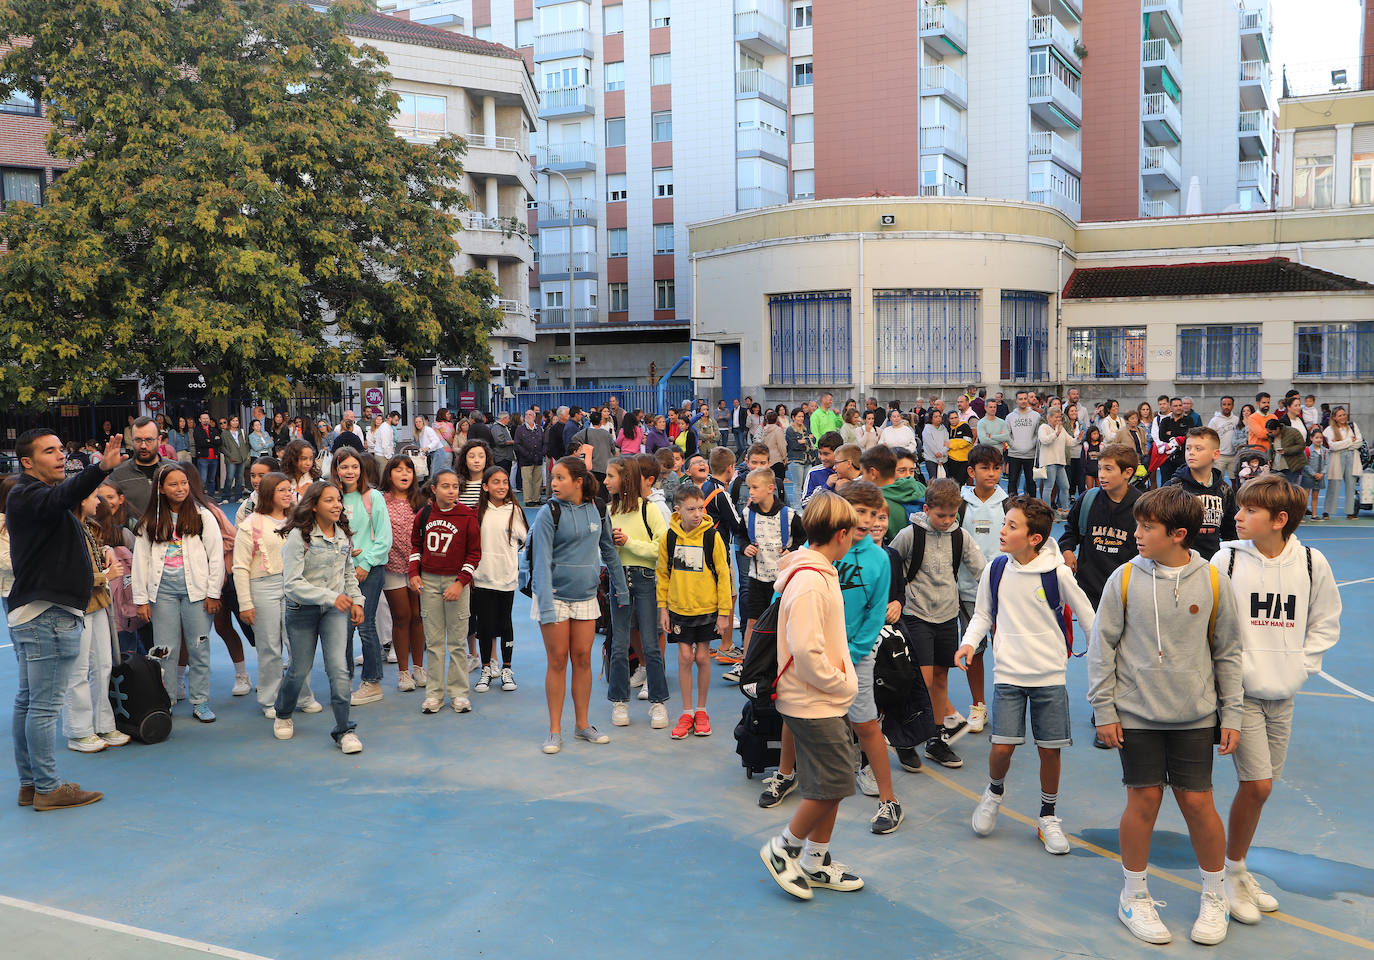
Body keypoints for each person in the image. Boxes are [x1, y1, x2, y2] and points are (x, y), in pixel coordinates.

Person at [1087, 486, 1244, 947]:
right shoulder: (1124, 579)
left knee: (1198, 802)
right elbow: (1102, 649)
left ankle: (1215, 895)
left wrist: (1230, 714)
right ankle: (1133, 893)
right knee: (1144, 802)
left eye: (1146, 527)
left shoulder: (1213, 581)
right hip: (1136, 714)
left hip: (1195, 715)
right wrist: (1104, 708)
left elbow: (1229, 652)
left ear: (1178, 535)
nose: (1135, 534)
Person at [1212, 476, 1340, 925]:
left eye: (1249, 511)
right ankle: (1229, 873)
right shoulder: (1226, 558)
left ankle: (1239, 869)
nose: (1238, 516)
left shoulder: (1310, 561)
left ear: (1279, 520)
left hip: (1283, 693)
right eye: (1238, 509)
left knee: (1262, 788)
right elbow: (1213, 624)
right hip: (1239, 692)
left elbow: (1325, 619)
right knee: (1257, 784)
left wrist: (1301, 666)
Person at [959, 496, 1095, 855]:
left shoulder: (1057, 572)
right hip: (1008, 675)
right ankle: (993, 792)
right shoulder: (996, 568)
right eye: (1004, 523)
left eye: (1012, 526)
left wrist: (1104, 661)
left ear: (1034, 538)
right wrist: (969, 643)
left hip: (1050, 676)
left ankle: (1048, 816)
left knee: (1050, 751)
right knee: (1001, 747)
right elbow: (983, 615)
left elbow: (1088, 616)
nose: (1002, 531)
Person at [6, 433, 128, 809]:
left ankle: (33, 784)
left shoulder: (33, 498)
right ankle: (47, 787)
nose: (60, 456)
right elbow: (64, 496)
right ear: (27, 462)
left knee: (29, 703)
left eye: (61, 449)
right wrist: (101, 468)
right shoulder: (30, 495)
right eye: (50, 451)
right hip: (48, 617)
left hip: (39, 615)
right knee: (42, 707)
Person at [758, 492, 866, 901]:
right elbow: (805, 651)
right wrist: (843, 683)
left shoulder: (818, 573)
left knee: (830, 779)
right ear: (840, 534)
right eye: (853, 533)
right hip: (813, 699)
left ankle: (817, 861)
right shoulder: (809, 582)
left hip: (822, 698)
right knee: (834, 781)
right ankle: (784, 847)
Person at [529, 457, 626, 753]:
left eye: (560, 478)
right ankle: (554, 731)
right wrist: (546, 606)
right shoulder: (549, 512)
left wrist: (621, 591)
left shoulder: (598, 508)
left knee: (583, 659)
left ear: (578, 481)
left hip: (586, 596)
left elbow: (609, 550)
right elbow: (541, 563)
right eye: (552, 478)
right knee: (557, 661)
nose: (553, 484)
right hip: (554, 596)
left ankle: (582, 725)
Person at [889, 478, 986, 770]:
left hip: (947, 616)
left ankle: (935, 738)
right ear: (927, 508)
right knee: (922, 679)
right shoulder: (910, 535)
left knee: (942, 676)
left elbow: (982, 570)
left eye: (951, 515)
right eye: (940, 515)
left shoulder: (961, 536)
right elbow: (890, 563)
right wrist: (894, 600)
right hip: (916, 615)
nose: (946, 521)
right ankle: (905, 739)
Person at [270, 481, 364, 753]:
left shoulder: (343, 536)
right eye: (329, 501)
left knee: (339, 669)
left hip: (335, 611)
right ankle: (283, 712)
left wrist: (356, 601)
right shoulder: (300, 537)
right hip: (302, 611)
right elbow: (292, 584)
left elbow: (348, 573)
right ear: (313, 505)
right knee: (299, 669)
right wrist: (331, 596)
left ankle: (345, 730)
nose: (337, 505)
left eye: (338, 500)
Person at [131, 463, 224, 722]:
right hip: (162, 595)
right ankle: (167, 698)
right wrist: (141, 600)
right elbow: (141, 562)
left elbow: (215, 557)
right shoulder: (150, 520)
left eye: (184, 483)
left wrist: (213, 593)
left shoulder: (203, 516)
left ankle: (200, 700)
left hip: (197, 593)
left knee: (199, 647)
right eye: (173, 484)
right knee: (165, 649)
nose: (181, 488)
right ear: (160, 488)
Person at [234, 472, 321, 718]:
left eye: (289, 490)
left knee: (299, 645)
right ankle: (270, 699)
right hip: (263, 587)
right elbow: (239, 567)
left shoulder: (298, 520)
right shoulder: (251, 524)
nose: (287, 494)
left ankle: (303, 695)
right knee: (270, 647)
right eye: (281, 490)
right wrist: (245, 603)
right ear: (268, 493)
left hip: (294, 587)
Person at [657, 483, 733, 740]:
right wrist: (663, 608)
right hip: (679, 608)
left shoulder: (713, 537)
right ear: (677, 510)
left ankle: (702, 710)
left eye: (700, 508)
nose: (698, 514)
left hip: (707, 608)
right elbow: (663, 574)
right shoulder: (669, 537)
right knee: (684, 658)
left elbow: (724, 576)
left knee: (702, 658)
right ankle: (686, 712)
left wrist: (724, 613)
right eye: (691, 509)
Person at [60, 490, 130, 754]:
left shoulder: (88, 527)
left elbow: (93, 552)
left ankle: (103, 723)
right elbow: (67, 575)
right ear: (80, 501)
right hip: (75, 606)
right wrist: (105, 575)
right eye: (93, 497)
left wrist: (106, 549)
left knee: (102, 664)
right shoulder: (63, 530)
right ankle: (78, 731)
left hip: (97, 603)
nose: (98, 502)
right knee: (78, 670)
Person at [408, 469, 480, 715]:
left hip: (456, 583)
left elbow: (474, 554)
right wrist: (413, 573)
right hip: (428, 581)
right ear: (434, 489)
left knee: (458, 642)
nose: (452, 491)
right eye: (446, 486)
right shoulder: (424, 514)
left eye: (455, 487)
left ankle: (459, 693)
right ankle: (434, 694)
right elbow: (416, 545)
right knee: (435, 642)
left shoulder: (467, 516)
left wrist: (460, 582)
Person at [604, 455, 669, 726]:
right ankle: (619, 702)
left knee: (651, 646)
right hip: (618, 580)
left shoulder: (649, 509)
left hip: (645, 580)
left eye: (610, 476)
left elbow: (662, 549)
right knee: (618, 645)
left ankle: (658, 704)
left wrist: (629, 543)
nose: (605, 481)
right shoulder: (609, 510)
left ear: (625, 479)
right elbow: (606, 552)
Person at [329, 448, 392, 707]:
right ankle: (344, 682)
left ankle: (373, 682)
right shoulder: (331, 497)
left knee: (364, 626)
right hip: (338, 572)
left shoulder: (372, 497)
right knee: (340, 629)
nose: (350, 472)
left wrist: (364, 563)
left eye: (354, 466)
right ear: (336, 470)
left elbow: (384, 539)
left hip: (369, 571)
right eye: (344, 467)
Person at [956, 444, 1010, 736]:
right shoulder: (960, 503)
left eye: (996, 468)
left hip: (1004, 591)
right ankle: (978, 706)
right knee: (973, 651)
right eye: (985, 468)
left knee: (1006, 650)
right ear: (971, 471)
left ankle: (1006, 705)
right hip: (968, 591)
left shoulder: (1009, 504)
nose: (991, 473)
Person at [737, 466, 805, 673]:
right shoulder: (748, 514)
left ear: (770, 488)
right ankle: (747, 665)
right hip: (757, 578)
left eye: (755, 487)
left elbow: (803, 540)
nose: (751, 492)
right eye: (749, 488)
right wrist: (744, 547)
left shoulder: (790, 515)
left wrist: (792, 550)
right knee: (752, 621)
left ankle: (782, 664)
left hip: (783, 582)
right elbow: (740, 536)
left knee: (783, 624)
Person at [471, 465, 527, 694]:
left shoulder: (514, 511)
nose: (502, 486)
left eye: (505, 481)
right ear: (485, 486)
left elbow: (524, 540)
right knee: (484, 626)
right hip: (482, 578)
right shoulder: (477, 513)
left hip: (506, 578)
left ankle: (506, 668)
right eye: (496, 482)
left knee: (505, 623)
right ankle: (486, 668)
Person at [378, 456, 427, 693]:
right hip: (391, 567)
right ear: (389, 474)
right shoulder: (380, 501)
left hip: (418, 568)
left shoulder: (420, 501)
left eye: (408, 469)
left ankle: (419, 667)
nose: (404, 473)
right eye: (398, 470)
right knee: (402, 616)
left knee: (418, 616)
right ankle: (403, 672)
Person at [1166, 427, 1238, 559]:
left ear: (1215, 454)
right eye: (1188, 448)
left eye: (1198, 449)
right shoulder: (1173, 487)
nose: (1191, 453)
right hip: (1179, 563)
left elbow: (1230, 532)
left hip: (1212, 563)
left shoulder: (1224, 490)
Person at [108, 416, 178, 523]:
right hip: (134, 537)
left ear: (159, 440)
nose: (143, 445)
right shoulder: (118, 475)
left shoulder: (175, 470)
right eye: (138, 440)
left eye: (149, 440)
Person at [860, 445, 925, 544]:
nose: (908, 476)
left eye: (911, 471)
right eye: (902, 470)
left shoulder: (873, 501)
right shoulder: (924, 489)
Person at [1322, 406, 1362, 520]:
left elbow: (1359, 442)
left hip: (1352, 456)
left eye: (1344, 414)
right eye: (1340, 415)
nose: (1343, 417)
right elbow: (1332, 446)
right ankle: (1327, 511)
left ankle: (1351, 512)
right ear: (1334, 417)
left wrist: (1341, 443)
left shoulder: (1352, 426)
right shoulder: (1329, 430)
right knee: (1334, 484)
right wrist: (1350, 441)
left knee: (1351, 485)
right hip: (1336, 458)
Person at [1005, 390, 1041, 497]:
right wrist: (1014, 446)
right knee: (1013, 481)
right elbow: (1007, 434)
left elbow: (1038, 433)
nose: (1023, 401)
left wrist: (1031, 445)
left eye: (1025, 399)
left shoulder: (1036, 416)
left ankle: (1032, 504)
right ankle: (1012, 505)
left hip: (1031, 455)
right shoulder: (1010, 417)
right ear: (1016, 401)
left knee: (1031, 482)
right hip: (1014, 454)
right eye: (1020, 399)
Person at [573, 409, 617, 495]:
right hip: (604, 466)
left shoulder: (584, 432)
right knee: (603, 493)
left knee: (592, 490)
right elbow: (613, 448)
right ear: (600, 421)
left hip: (590, 465)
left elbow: (574, 439)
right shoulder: (606, 434)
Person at [1036, 409, 1069, 513]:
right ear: (1048, 418)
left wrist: (1078, 439)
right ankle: (1047, 512)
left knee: (1065, 486)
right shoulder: (1043, 427)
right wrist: (1055, 434)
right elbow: (1044, 440)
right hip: (1049, 462)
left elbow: (1070, 441)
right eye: (1056, 417)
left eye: (1059, 417)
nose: (1058, 419)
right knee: (1048, 487)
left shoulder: (1061, 429)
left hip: (1060, 461)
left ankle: (1063, 510)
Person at [514, 409, 546, 507]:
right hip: (525, 460)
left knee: (537, 480)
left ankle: (536, 498)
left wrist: (541, 453)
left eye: (530, 414)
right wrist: (526, 454)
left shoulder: (539, 429)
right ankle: (528, 500)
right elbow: (517, 444)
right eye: (526, 414)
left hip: (538, 459)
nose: (528, 416)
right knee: (527, 480)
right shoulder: (520, 429)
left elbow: (544, 443)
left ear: (534, 417)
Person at [1266, 417, 1307, 485]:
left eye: (1270, 432)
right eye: (1268, 432)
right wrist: (1269, 458)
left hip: (1291, 466)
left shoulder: (1293, 432)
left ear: (1277, 429)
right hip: (1276, 466)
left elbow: (1301, 446)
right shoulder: (1272, 436)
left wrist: (1286, 451)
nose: (1269, 434)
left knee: (1290, 487)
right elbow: (1271, 448)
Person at [1208, 397, 1240, 480]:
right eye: (1224, 404)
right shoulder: (1214, 421)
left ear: (1233, 406)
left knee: (1234, 480)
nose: (1226, 407)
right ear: (1221, 405)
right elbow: (1209, 438)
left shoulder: (1237, 420)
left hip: (1234, 456)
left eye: (1229, 404)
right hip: (1220, 456)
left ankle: (1234, 493)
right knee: (1218, 480)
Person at [220, 416, 250, 501]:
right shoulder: (225, 433)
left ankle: (238, 497)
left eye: (237, 420)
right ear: (230, 422)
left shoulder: (241, 432)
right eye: (233, 421)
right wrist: (229, 455)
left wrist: (245, 453)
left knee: (239, 478)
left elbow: (247, 444)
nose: (235, 422)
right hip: (231, 459)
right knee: (229, 478)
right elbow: (222, 447)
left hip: (242, 458)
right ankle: (225, 497)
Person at [191, 413, 220, 498]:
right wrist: (212, 441)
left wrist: (208, 441)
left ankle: (211, 497)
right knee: (202, 480)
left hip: (214, 458)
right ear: (200, 420)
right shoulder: (197, 430)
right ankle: (201, 497)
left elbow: (219, 442)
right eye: (203, 418)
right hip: (203, 458)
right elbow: (200, 443)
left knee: (212, 479)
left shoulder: (214, 430)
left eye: (207, 418)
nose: (205, 420)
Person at [921, 409, 950, 484]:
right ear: (931, 418)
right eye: (935, 417)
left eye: (939, 416)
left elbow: (947, 442)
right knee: (933, 481)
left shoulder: (944, 428)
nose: (938, 418)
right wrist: (937, 453)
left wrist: (942, 453)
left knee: (944, 480)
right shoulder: (927, 429)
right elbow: (930, 444)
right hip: (931, 459)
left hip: (944, 458)